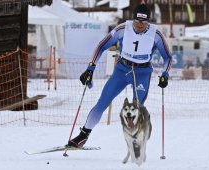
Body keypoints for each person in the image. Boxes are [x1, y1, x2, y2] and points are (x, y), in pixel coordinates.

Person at [66, 3, 172, 148]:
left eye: (144, 22)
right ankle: (83, 135)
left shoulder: (156, 34)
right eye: (137, 21)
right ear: (133, 19)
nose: (140, 25)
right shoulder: (122, 29)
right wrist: (90, 69)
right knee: (102, 102)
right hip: (122, 70)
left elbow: (168, 57)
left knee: (136, 107)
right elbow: (101, 46)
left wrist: (165, 74)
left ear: (148, 22)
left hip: (142, 73)